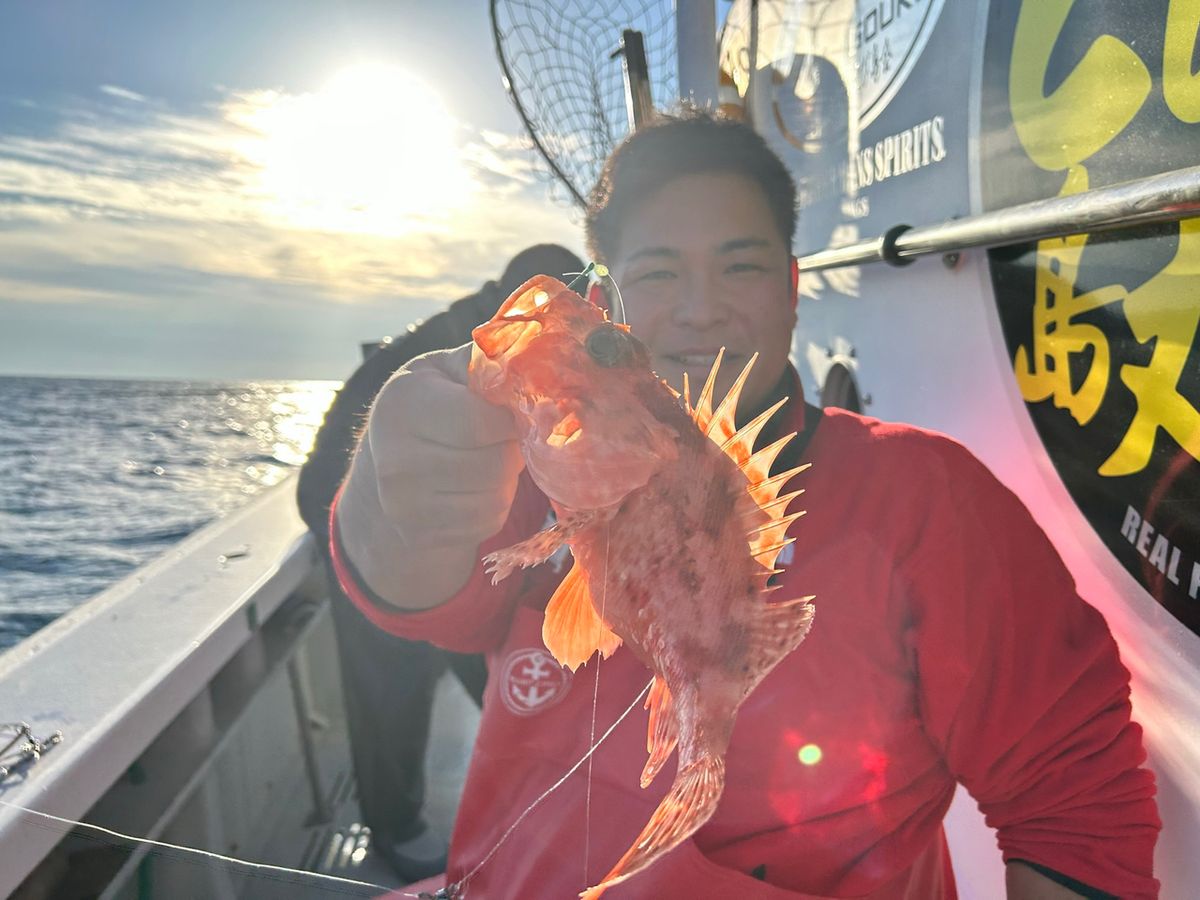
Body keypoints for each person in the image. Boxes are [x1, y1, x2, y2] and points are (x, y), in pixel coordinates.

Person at [328, 109, 1160, 898]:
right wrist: (394, 494)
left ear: (794, 289)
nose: (700, 307)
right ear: (612, 297)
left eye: (741, 264)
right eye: (657, 272)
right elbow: (417, 599)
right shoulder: (535, 463)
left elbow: (1074, 804)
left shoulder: (928, 499)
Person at [296, 244, 584, 882]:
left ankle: (523, 785)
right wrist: (377, 538)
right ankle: (393, 827)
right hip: (346, 508)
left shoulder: (508, 332)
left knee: (482, 647)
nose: (566, 319)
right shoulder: (477, 342)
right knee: (388, 682)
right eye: (559, 305)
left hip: (455, 524)